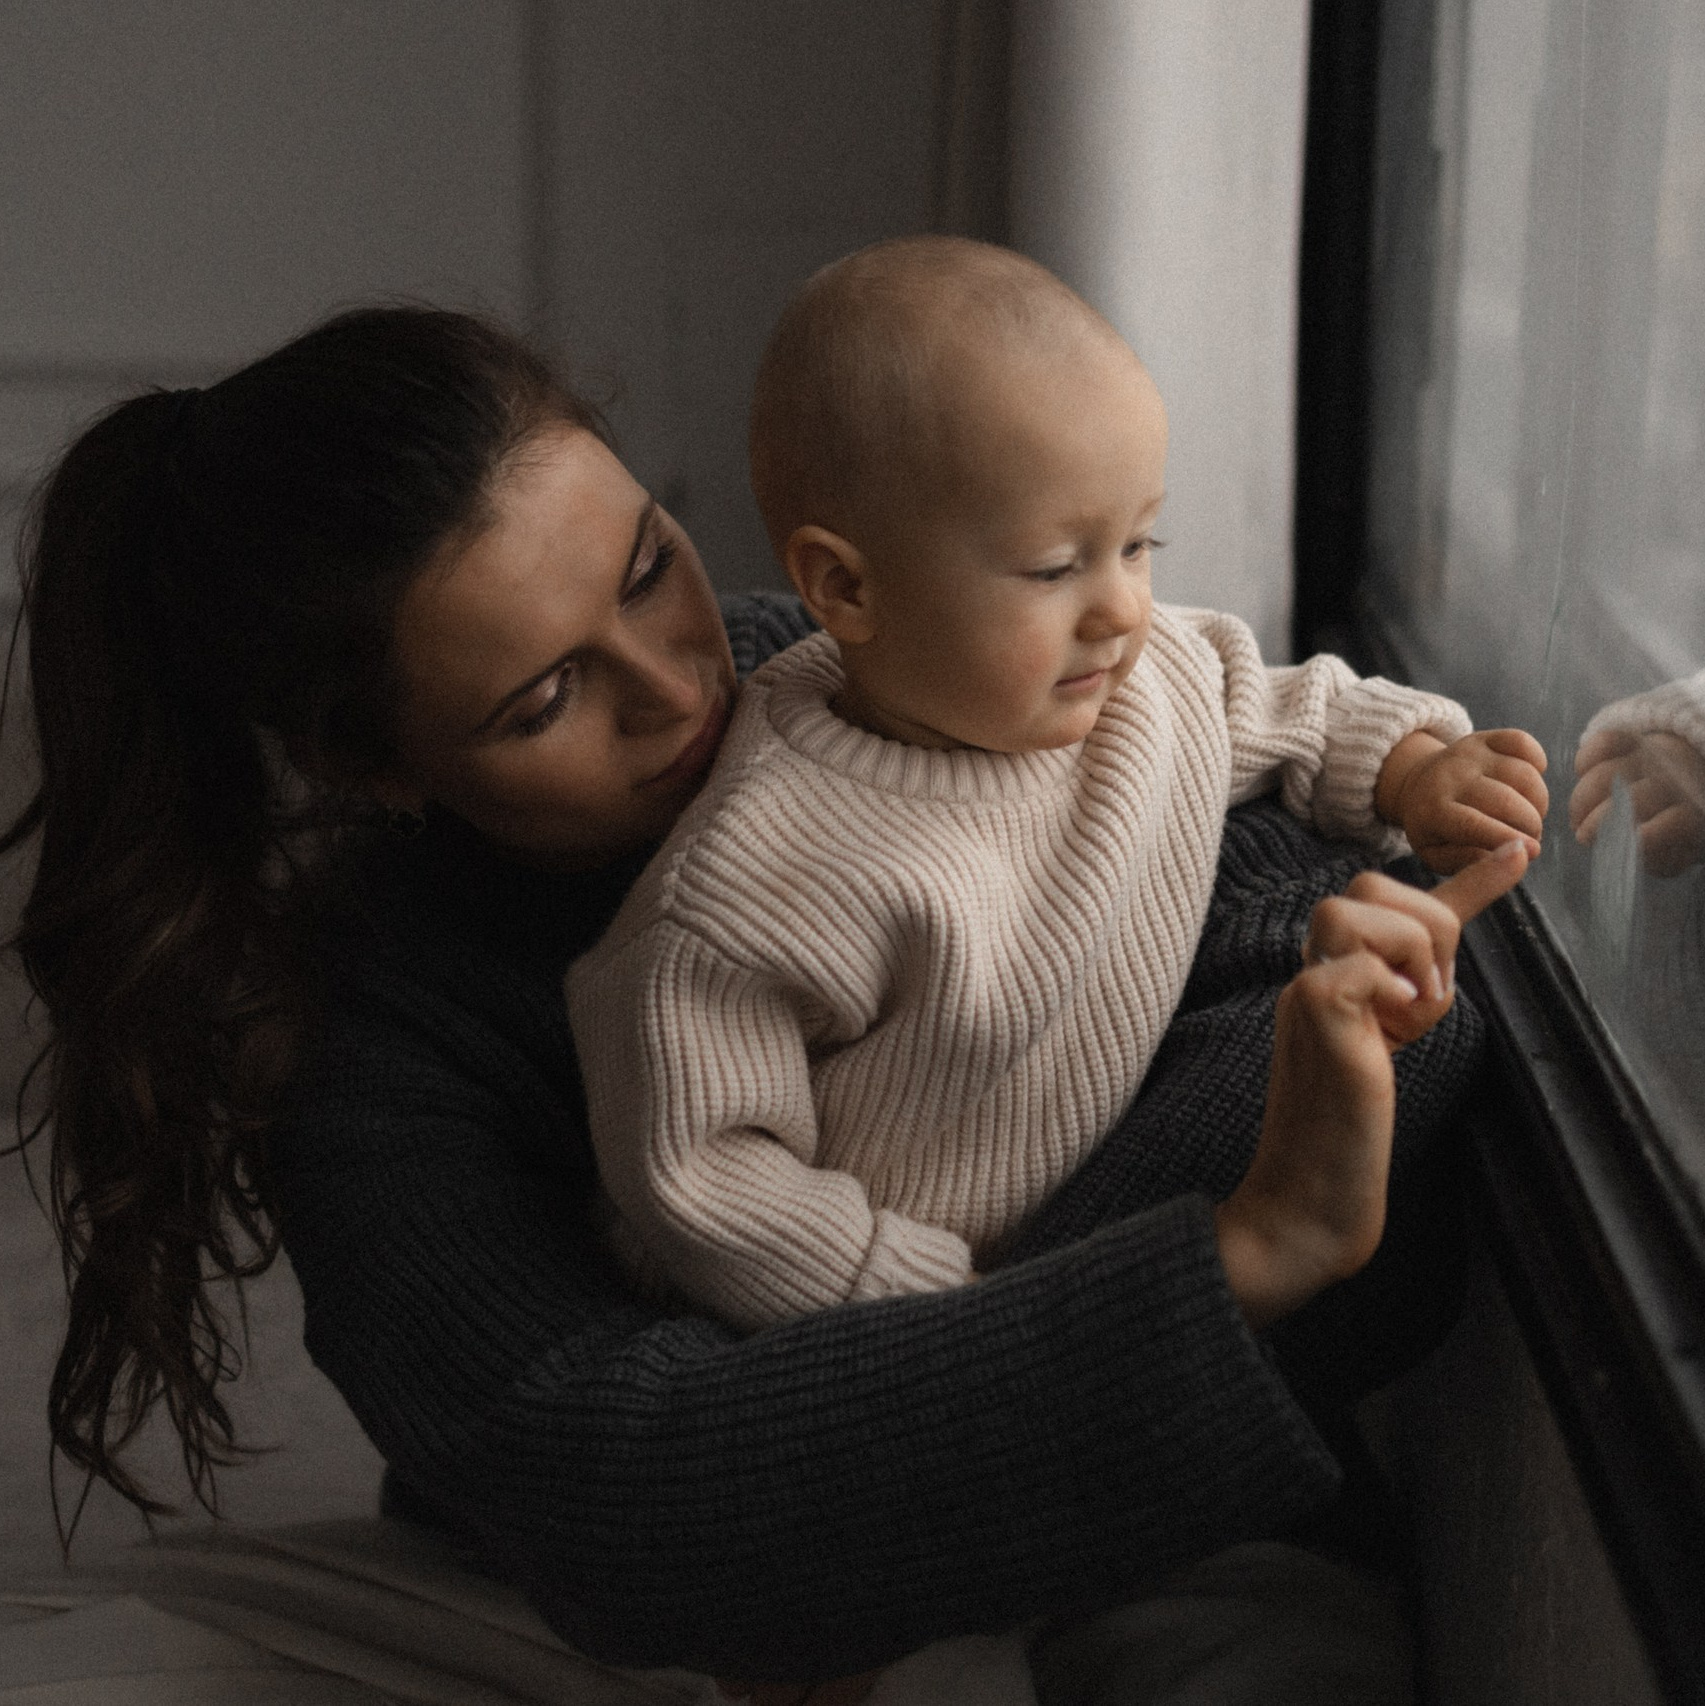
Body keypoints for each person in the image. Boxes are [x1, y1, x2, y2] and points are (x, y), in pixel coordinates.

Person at [3, 302, 1528, 1702]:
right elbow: (613, 1498)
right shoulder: (363, 1027)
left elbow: (1350, 1007)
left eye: (649, 565)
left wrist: (859, 1415)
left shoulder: (887, 655)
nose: (676, 686)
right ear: (376, 772)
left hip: (1140, 1510)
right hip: (649, 1612)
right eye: (543, 701)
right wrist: (1238, 1254)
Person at [567, 237, 1549, 1331]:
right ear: (845, 588)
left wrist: (1418, 769)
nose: (1123, 606)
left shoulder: (1141, 678)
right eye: (1053, 567)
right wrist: (959, 1316)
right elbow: (706, 1186)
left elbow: (1289, 709)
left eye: (1138, 542)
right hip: (889, 1314)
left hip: (1079, 1211)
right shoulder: (750, 882)